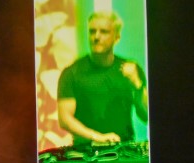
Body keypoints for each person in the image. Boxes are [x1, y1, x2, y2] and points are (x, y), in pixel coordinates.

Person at [56, 10, 147, 147]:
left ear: (117, 37)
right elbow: (64, 119)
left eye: (104, 32)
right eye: (92, 31)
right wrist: (98, 137)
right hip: (85, 152)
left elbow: (146, 115)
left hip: (124, 150)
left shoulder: (131, 70)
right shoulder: (72, 73)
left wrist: (136, 83)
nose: (96, 37)